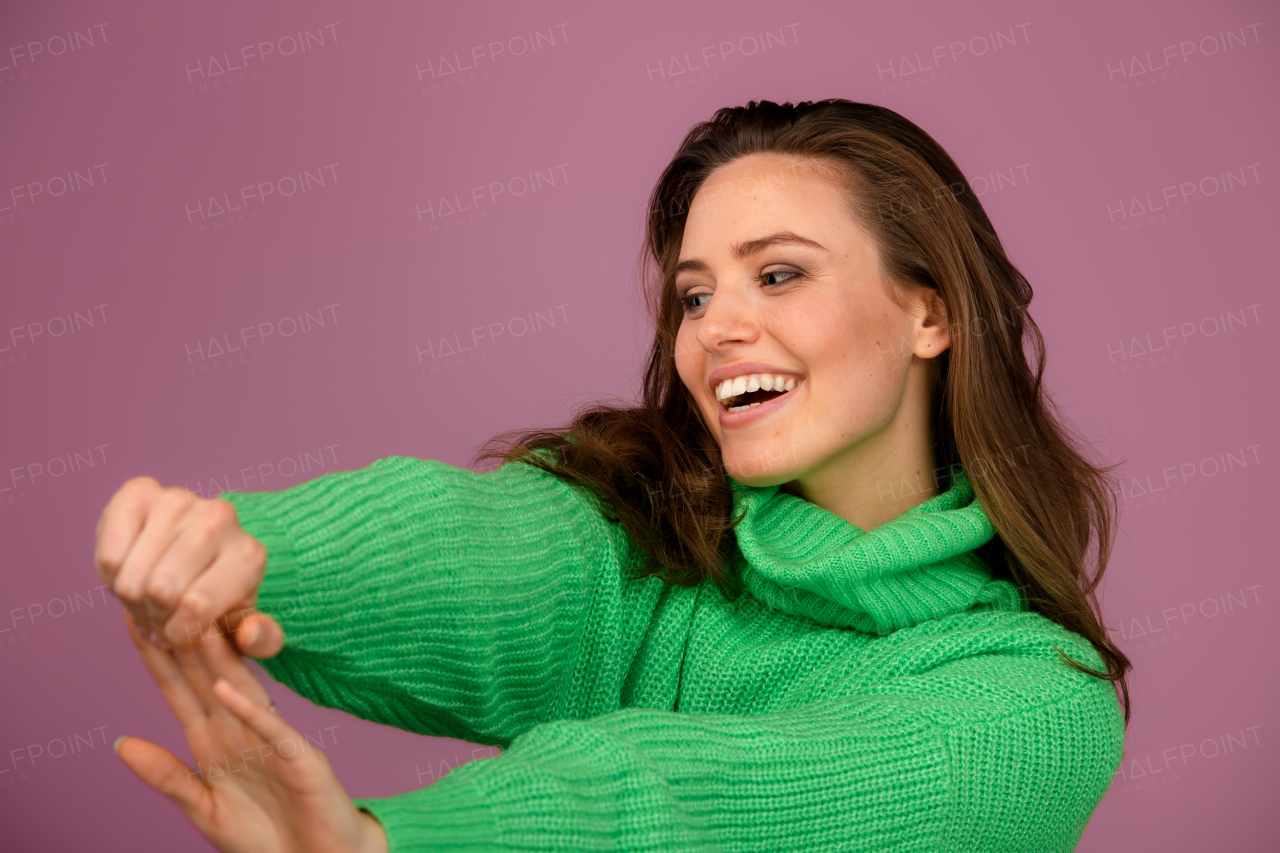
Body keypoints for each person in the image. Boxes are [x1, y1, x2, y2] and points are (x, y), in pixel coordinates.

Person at [95, 99, 1131, 852]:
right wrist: (246, 552)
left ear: (929, 312)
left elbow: (731, 802)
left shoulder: (1034, 706)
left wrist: (401, 843)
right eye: (691, 295)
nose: (715, 329)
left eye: (777, 274)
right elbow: (490, 551)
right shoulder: (657, 551)